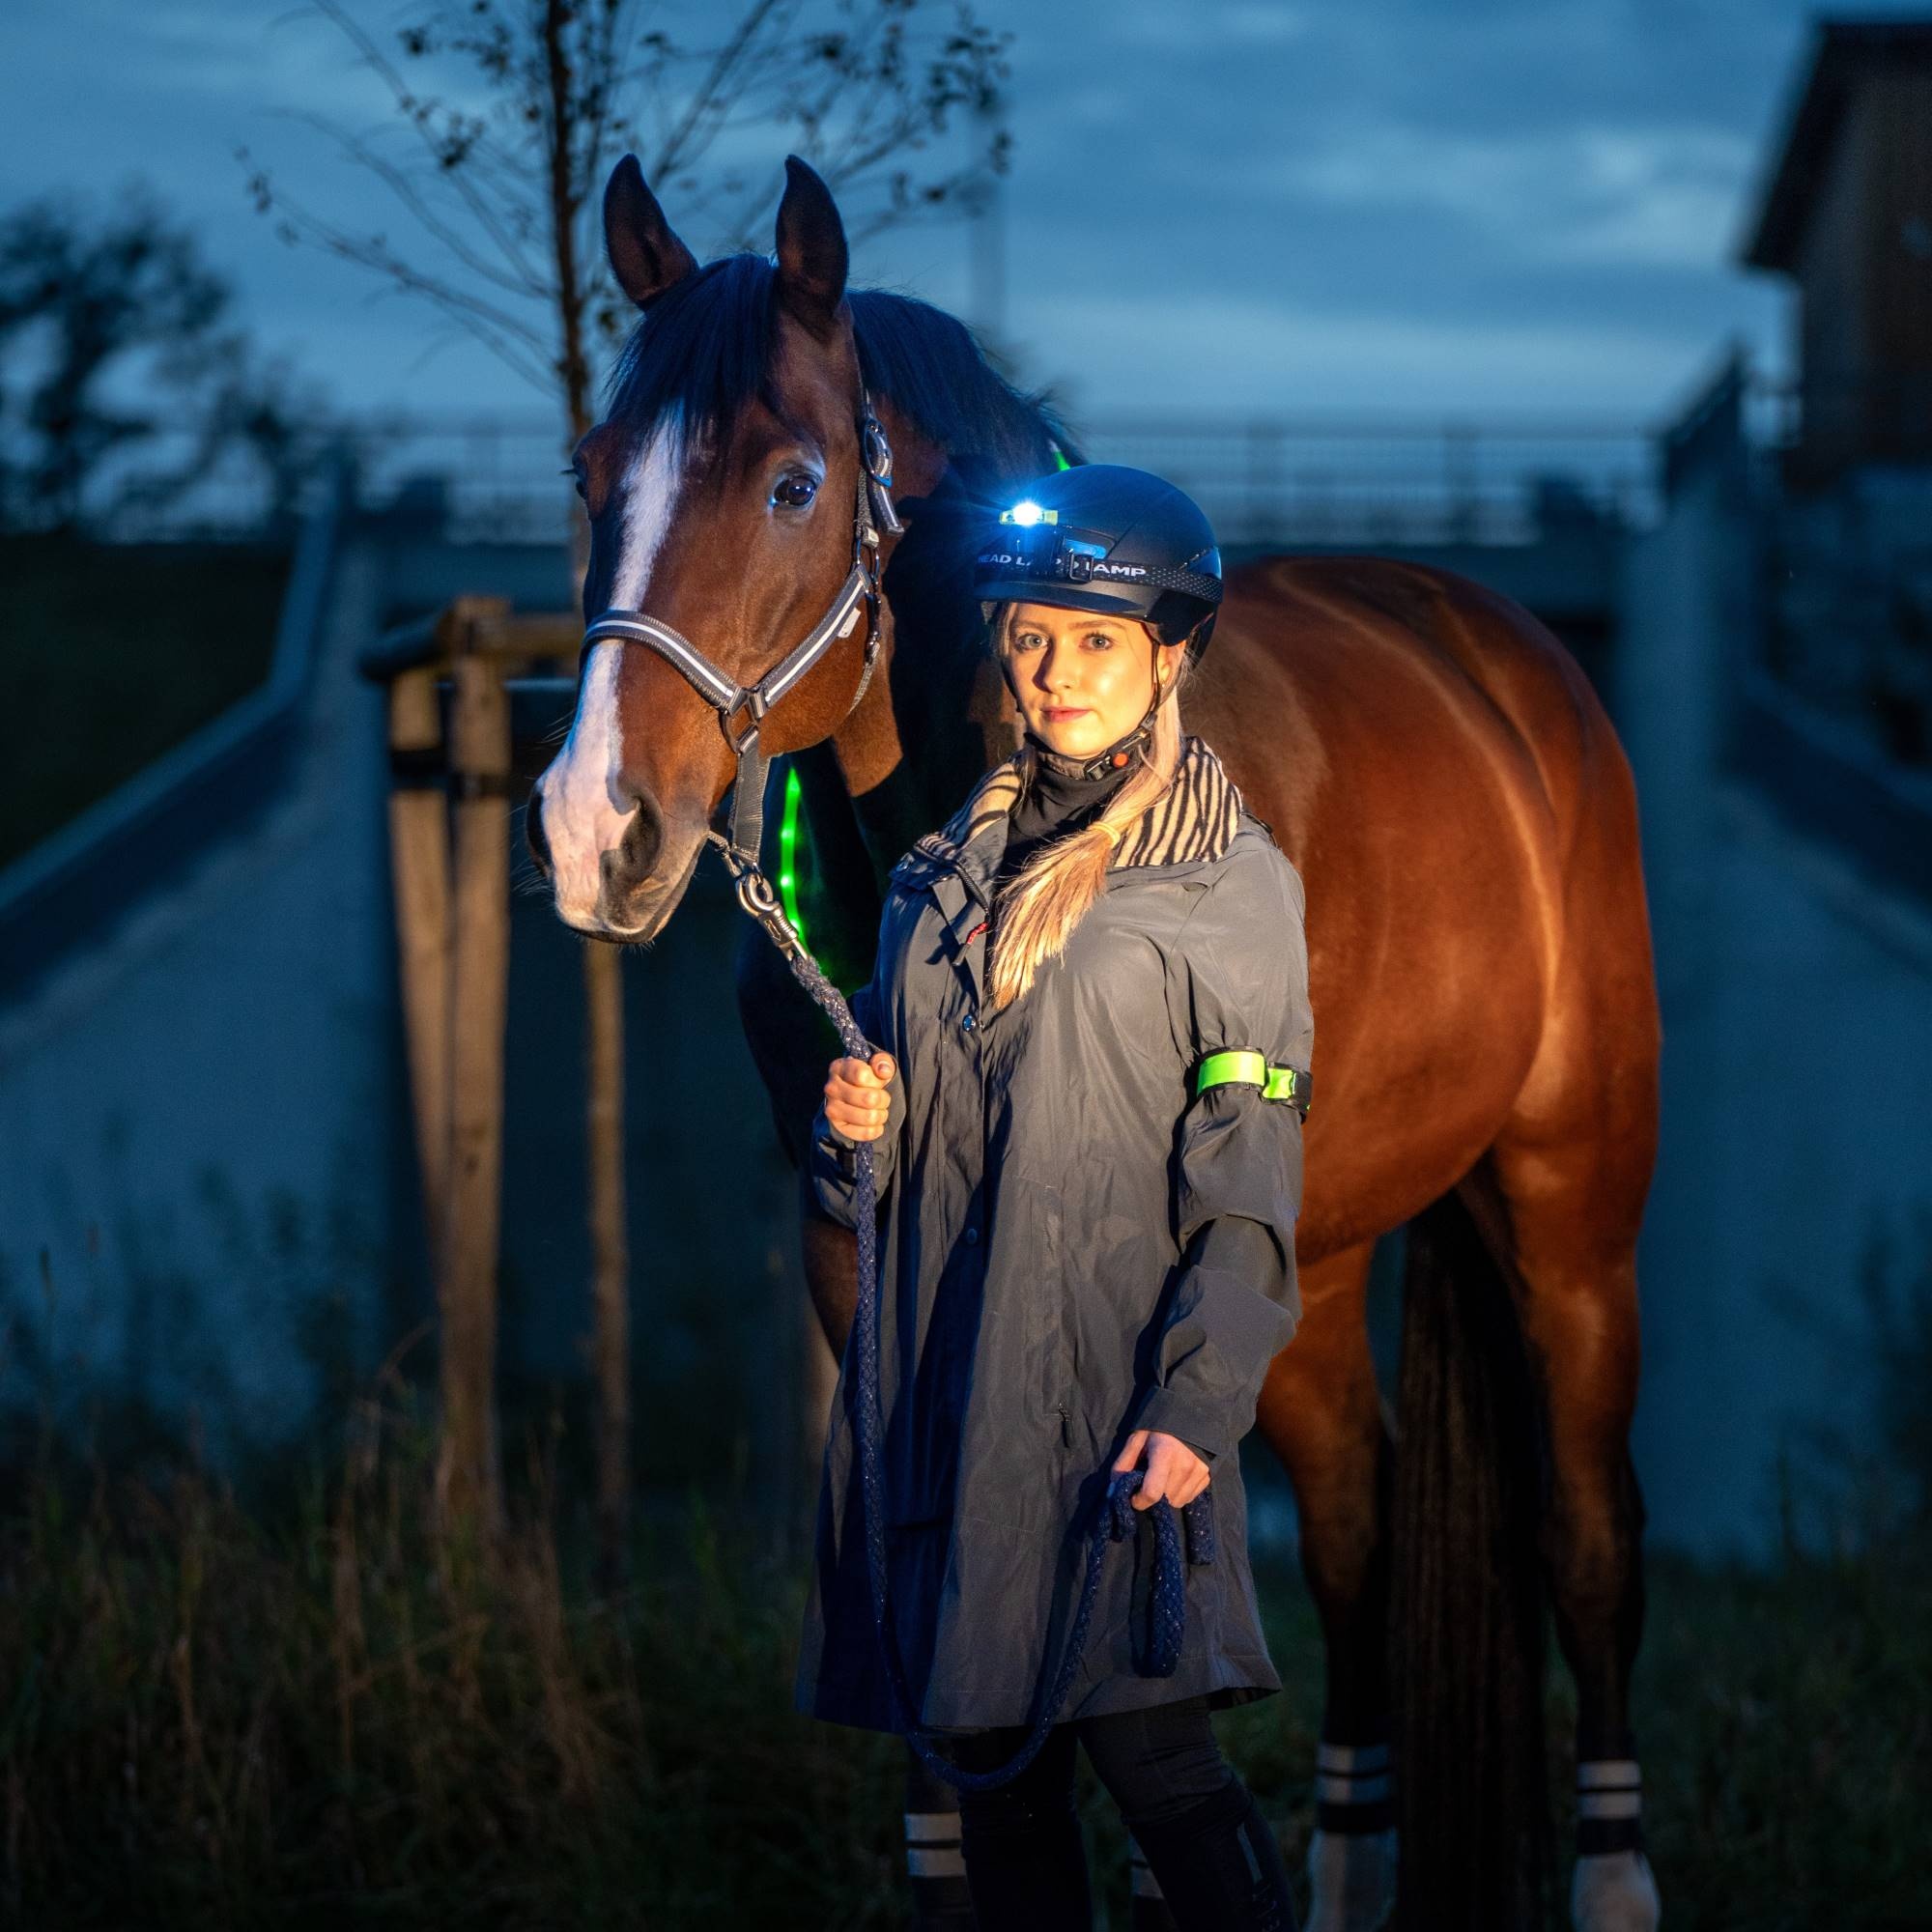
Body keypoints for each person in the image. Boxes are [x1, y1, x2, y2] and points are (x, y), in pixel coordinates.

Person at [796, 464, 1312, 1931]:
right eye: (1033, 637)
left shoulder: (1227, 884)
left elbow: (1253, 1168)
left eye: (1096, 641)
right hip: (949, 1415)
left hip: (1112, 1410)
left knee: (1161, 1770)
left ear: (1170, 657)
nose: (1058, 671)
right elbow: (904, 1174)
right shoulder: (933, 885)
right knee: (991, 1783)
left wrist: (1199, 1405)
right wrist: (858, 1135)